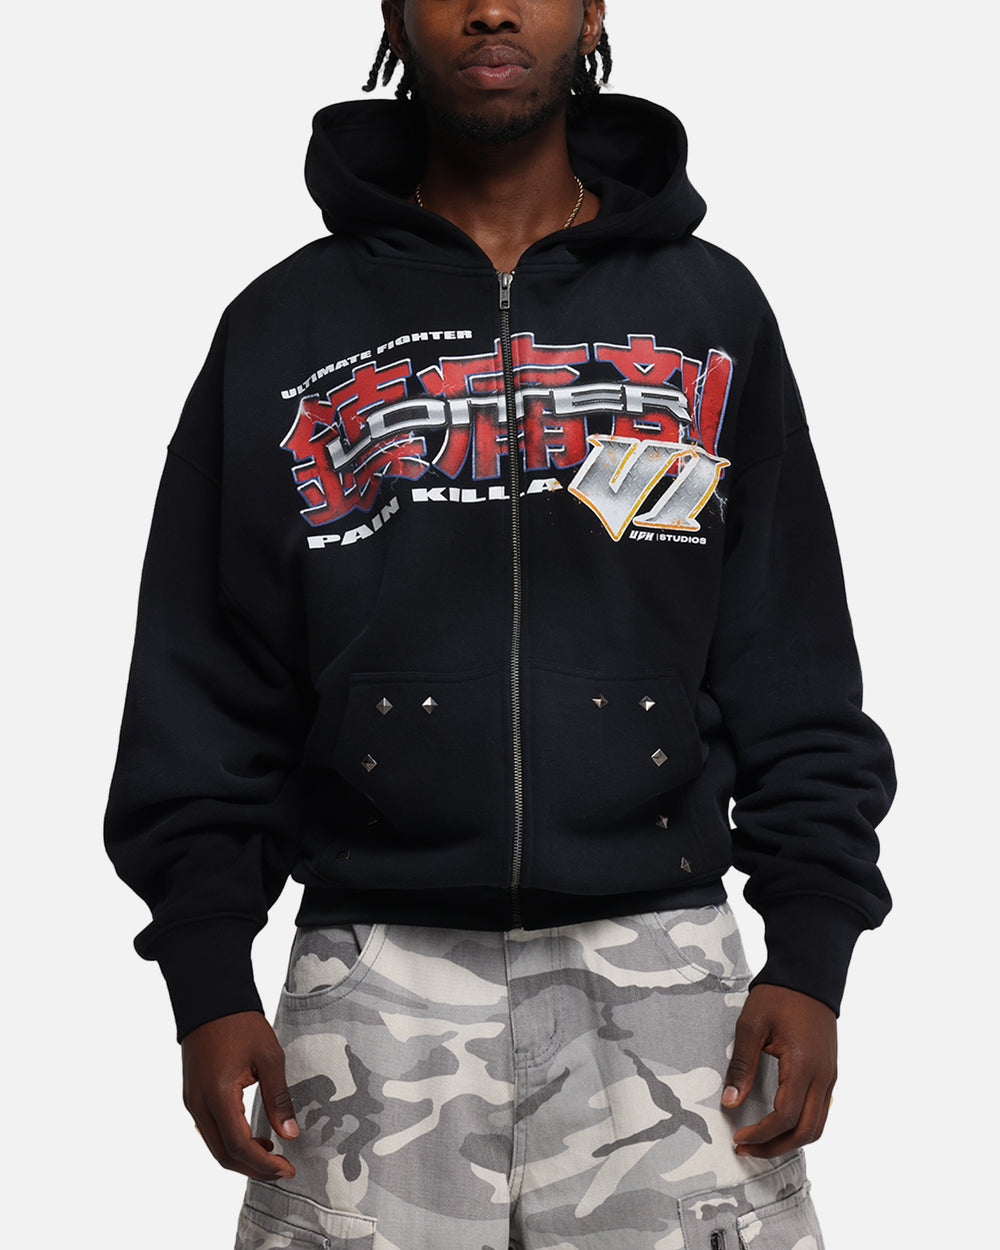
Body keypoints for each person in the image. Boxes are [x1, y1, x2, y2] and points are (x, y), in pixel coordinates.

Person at [104, 2, 894, 1246]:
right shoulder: (283, 325)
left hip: (666, 966)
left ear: (592, 11)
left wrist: (810, 950)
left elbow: (789, 652)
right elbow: (205, 673)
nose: (490, 5)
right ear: (393, 12)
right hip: (369, 974)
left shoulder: (708, 309)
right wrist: (206, 975)